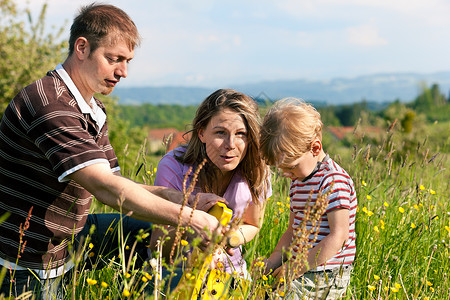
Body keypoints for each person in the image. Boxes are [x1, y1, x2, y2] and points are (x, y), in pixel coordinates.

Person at [0, 4, 222, 299]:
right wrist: (189, 218)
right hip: (24, 261)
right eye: (114, 59)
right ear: (82, 48)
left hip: (66, 241)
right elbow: (105, 188)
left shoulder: (91, 107)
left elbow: (120, 183)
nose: (124, 72)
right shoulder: (49, 104)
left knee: (146, 232)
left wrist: (185, 199)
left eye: (127, 61)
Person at [150, 89, 272, 281]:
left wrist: (230, 238)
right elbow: (159, 244)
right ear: (201, 133)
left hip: (231, 273)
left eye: (241, 134)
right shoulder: (173, 166)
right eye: (220, 133)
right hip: (176, 273)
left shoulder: (257, 168)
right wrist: (193, 228)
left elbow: (252, 224)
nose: (231, 144)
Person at [260, 98, 357, 299]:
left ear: (314, 148)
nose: (286, 174)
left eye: (291, 166)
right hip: (301, 269)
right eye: (281, 169)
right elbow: (292, 231)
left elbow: (338, 236)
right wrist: (272, 262)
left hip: (325, 273)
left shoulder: (332, 181)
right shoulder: (298, 181)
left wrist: (295, 267)